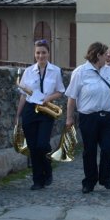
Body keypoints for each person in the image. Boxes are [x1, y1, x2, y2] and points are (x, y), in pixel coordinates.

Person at [64, 41, 110, 193]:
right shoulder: (80, 72)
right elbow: (71, 97)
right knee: (89, 151)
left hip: (109, 117)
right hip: (89, 118)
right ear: (98, 55)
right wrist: (69, 118)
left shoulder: (108, 71)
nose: (108, 57)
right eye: (106, 54)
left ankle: (106, 178)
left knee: (109, 148)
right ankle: (89, 181)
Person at [14, 39, 65, 190]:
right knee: (33, 147)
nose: (40, 56)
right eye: (38, 53)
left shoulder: (55, 71)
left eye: (43, 52)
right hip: (30, 110)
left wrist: (48, 98)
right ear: (34, 54)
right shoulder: (28, 72)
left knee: (42, 144)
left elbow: (60, 91)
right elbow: (23, 95)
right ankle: (37, 180)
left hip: (46, 110)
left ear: (48, 53)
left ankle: (47, 169)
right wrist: (18, 115)